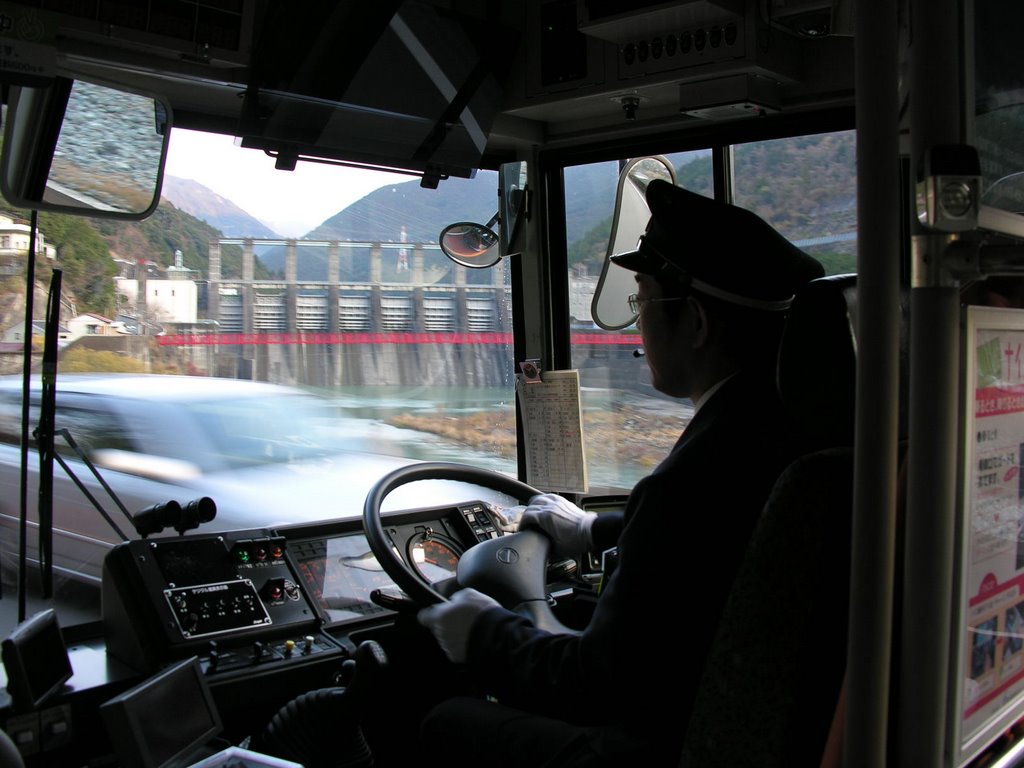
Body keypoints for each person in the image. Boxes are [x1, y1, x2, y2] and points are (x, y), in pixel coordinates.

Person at [416, 179, 825, 766]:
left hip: (663, 745)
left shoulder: (697, 476)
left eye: (643, 302)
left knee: (445, 724)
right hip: (766, 729)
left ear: (698, 323)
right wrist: (591, 530)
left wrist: (483, 634)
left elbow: (596, 684)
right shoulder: (790, 432)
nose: (637, 325)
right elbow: (708, 541)